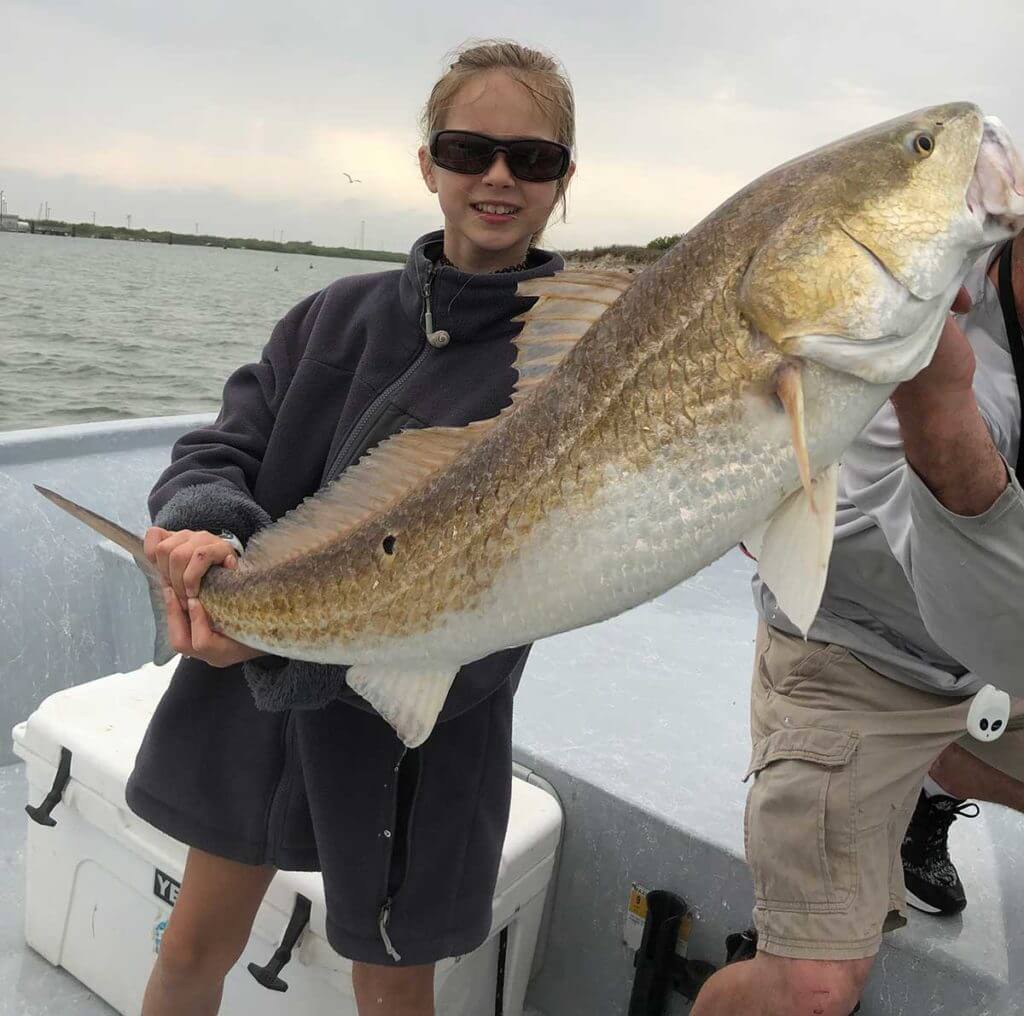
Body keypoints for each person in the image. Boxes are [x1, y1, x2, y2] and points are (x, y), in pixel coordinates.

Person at [127, 39, 576, 1016]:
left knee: (392, 981)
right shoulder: (331, 316)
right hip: (247, 700)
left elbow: (525, 587)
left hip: (426, 723)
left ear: (561, 180)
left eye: (531, 159)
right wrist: (206, 533)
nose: (497, 177)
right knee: (193, 944)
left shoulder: (566, 363)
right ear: (428, 163)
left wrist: (289, 640)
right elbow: (218, 451)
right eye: (468, 149)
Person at [693, 231, 1024, 1016]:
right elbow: (973, 591)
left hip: (981, 664)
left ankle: (938, 773)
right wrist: (939, 406)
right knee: (808, 991)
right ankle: (918, 762)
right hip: (852, 650)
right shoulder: (911, 310)